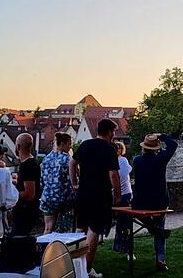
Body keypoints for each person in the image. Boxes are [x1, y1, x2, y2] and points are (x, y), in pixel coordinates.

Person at [70, 118, 121, 278]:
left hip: (83, 192)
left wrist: (74, 183)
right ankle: (86, 269)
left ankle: (74, 267)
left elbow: (72, 163)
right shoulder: (109, 149)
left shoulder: (85, 145)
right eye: (113, 131)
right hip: (100, 195)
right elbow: (113, 174)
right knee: (94, 231)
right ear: (108, 132)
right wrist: (118, 194)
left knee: (80, 231)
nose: (114, 134)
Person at [131, 134, 178, 272]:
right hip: (159, 202)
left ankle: (152, 228)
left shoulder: (137, 160)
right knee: (159, 224)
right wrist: (161, 136)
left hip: (140, 203)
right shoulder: (161, 159)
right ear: (156, 148)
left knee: (140, 214)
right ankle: (160, 259)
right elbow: (173, 145)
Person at [39, 133, 73, 234]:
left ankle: (45, 248)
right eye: (69, 144)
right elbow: (73, 178)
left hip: (47, 196)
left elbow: (42, 178)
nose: (70, 147)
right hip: (63, 198)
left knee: (48, 228)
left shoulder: (47, 158)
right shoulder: (67, 159)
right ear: (62, 144)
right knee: (63, 230)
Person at [10, 133, 40, 235]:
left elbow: (29, 194)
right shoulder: (31, 163)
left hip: (25, 211)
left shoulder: (27, 166)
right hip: (28, 210)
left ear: (18, 146)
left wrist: (12, 193)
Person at [112, 141, 133, 256]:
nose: (118, 150)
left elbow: (121, 175)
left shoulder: (123, 161)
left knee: (126, 222)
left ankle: (128, 249)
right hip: (116, 194)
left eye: (120, 148)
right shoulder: (111, 161)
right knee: (120, 223)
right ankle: (120, 246)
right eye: (117, 148)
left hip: (125, 194)